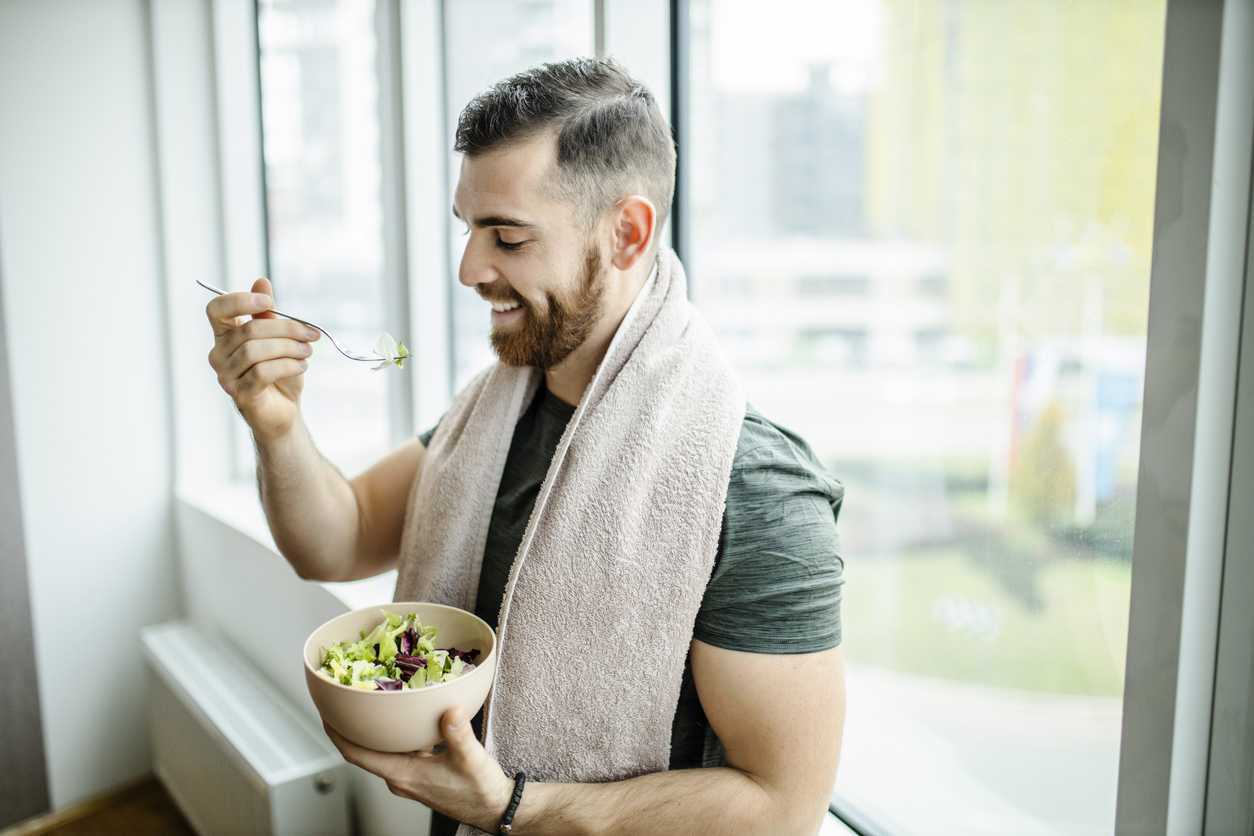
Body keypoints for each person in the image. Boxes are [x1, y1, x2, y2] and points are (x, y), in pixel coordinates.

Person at [206, 57, 845, 836]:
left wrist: (513, 807)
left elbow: (784, 810)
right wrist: (276, 425)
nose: (471, 269)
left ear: (626, 233)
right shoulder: (494, 411)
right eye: (469, 229)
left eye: (507, 236)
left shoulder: (754, 490)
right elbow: (334, 541)